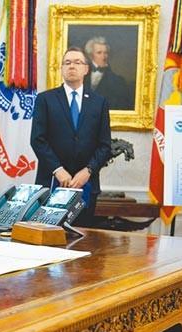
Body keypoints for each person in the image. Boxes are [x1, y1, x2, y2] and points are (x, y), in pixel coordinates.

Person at [30, 47, 112, 227]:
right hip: (52, 182)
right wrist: (58, 170)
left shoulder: (99, 102)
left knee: (82, 237)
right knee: (48, 237)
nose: (72, 66)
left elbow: (105, 145)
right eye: (67, 63)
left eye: (77, 62)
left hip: (86, 185)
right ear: (61, 69)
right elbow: (37, 140)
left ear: (86, 69)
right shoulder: (45, 99)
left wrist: (88, 171)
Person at [84, 36, 132, 110]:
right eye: (99, 53)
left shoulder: (118, 81)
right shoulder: (80, 76)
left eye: (105, 53)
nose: (103, 57)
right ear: (90, 55)